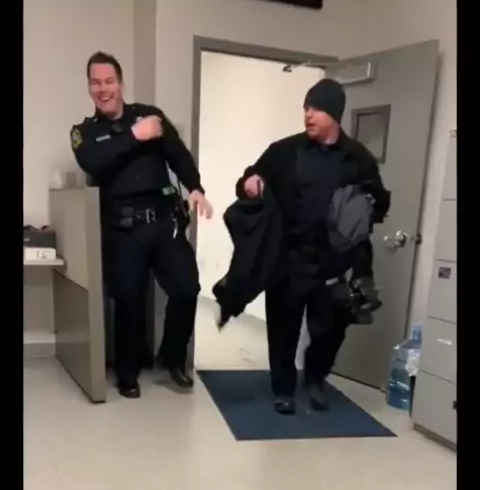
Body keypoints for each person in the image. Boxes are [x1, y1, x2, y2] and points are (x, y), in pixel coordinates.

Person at [237, 78, 390, 415]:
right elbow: (249, 176)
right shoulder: (284, 151)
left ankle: (316, 380)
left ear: (335, 113)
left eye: (317, 108)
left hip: (333, 263)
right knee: (283, 329)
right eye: (306, 107)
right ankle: (283, 390)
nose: (308, 114)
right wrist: (249, 182)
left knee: (329, 329)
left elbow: (380, 203)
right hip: (288, 258)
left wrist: (364, 209)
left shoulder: (358, 158)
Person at [70, 51, 213, 399]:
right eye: (96, 82)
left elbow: (178, 154)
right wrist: (135, 135)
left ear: (120, 83)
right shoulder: (84, 132)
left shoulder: (150, 115)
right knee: (128, 301)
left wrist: (195, 187)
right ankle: (128, 373)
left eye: (109, 81)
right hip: (123, 229)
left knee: (186, 287)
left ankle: (172, 358)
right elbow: (93, 162)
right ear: (89, 87)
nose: (103, 88)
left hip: (164, 222)